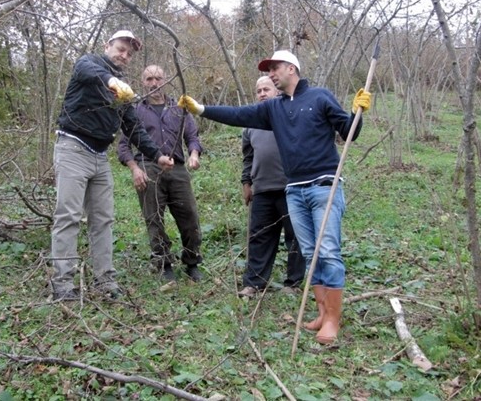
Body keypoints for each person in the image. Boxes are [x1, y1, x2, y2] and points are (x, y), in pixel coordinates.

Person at [178, 50, 371, 345]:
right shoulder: (274, 108)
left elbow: (349, 133)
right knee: (310, 254)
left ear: (291, 68)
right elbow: (238, 114)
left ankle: (332, 320)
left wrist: (357, 114)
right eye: (268, 70)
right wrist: (202, 109)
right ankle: (321, 313)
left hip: (324, 186)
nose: (270, 74)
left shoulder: (319, 97)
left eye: (274, 68)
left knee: (328, 252)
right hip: (294, 190)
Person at [51, 30, 174, 302]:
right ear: (107, 46)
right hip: (72, 147)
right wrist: (111, 81)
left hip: (99, 155)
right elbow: (87, 70)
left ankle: (105, 281)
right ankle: (62, 285)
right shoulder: (89, 65)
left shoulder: (123, 89)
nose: (124, 55)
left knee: (103, 220)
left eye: (129, 54)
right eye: (120, 49)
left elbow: (134, 128)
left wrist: (157, 156)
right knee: (68, 217)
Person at [118, 65, 204, 282]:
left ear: (166, 80)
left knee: (190, 218)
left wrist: (194, 154)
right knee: (154, 219)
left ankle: (192, 262)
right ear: (142, 81)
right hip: (149, 168)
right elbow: (124, 146)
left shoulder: (179, 108)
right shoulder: (135, 110)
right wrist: (135, 169)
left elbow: (193, 137)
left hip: (177, 168)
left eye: (158, 78)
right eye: (149, 79)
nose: (154, 83)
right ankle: (164, 264)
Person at [239, 76, 305, 297]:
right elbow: (248, 157)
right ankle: (254, 283)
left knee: (295, 237)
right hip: (262, 190)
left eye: (266, 89)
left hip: (291, 188)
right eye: (258, 91)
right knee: (259, 237)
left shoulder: (289, 115)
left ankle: (293, 284)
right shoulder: (251, 123)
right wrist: (246, 183)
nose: (262, 94)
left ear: (276, 91)